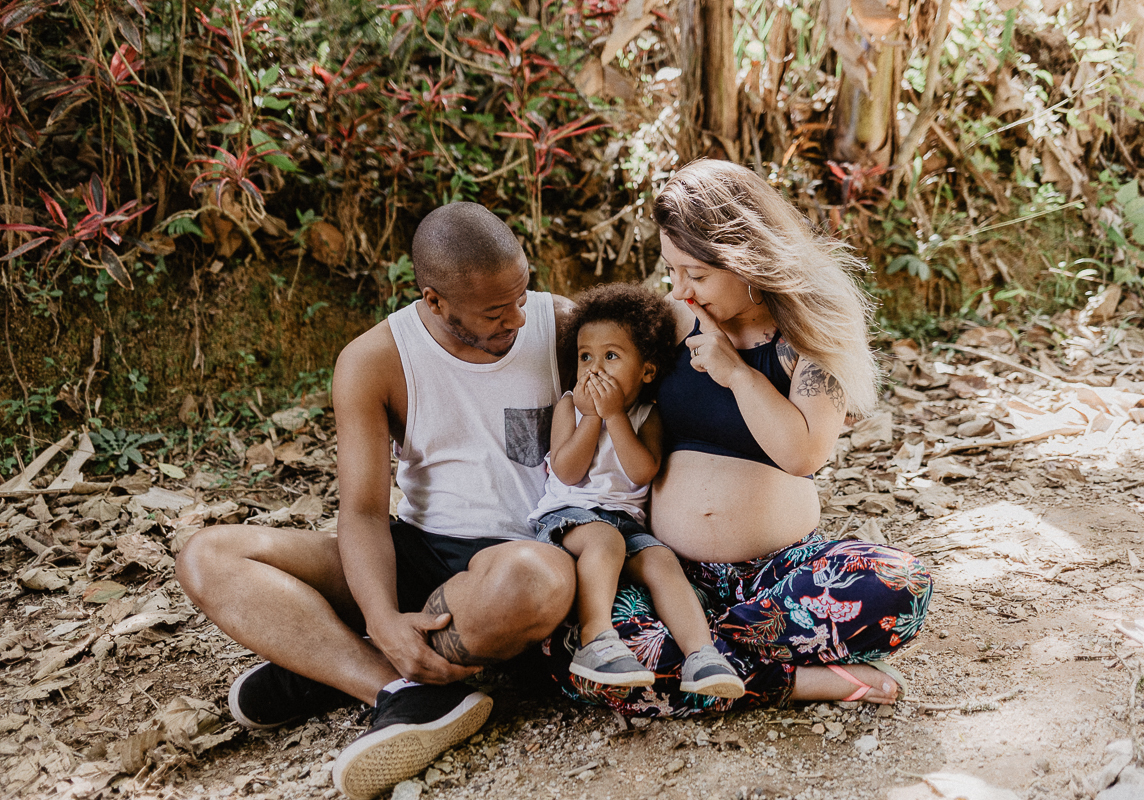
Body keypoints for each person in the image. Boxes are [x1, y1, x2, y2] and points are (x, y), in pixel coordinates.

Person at [176, 202, 578, 800]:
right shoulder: (374, 360)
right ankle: (395, 687)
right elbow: (363, 512)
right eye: (495, 312)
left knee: (534, 579)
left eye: (521, 295)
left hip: (522, 558)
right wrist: (384, 619)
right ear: (434, 300)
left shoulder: (563, 325)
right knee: (208, 556)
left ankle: (325, 665)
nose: (517, 318)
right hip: (418, 554)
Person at [544, 159, 933, 717]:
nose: (681, 290)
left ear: (747, 258)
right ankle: (793, 678)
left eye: (697, 275)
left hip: (781, 573)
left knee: (900, 584)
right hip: (669, 572)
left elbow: (802, 454)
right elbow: (595, 361)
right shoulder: (672, 321)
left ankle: (707, 658)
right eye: (672, 271)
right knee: (575, 646)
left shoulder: (810, 333)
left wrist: (737, 374)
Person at [533, 284, 745, 698]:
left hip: (626, 525)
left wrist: (615, 416)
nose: (595, 369)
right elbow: (568, 471)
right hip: (567, 518)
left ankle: (702, 655)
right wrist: (593, 417)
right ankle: (596, 640)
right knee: (604, 540)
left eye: (611, 356)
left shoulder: (648, 415)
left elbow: (642, 472)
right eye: (585, 357)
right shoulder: (569, 407)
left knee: (662, 561)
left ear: (646, 371)